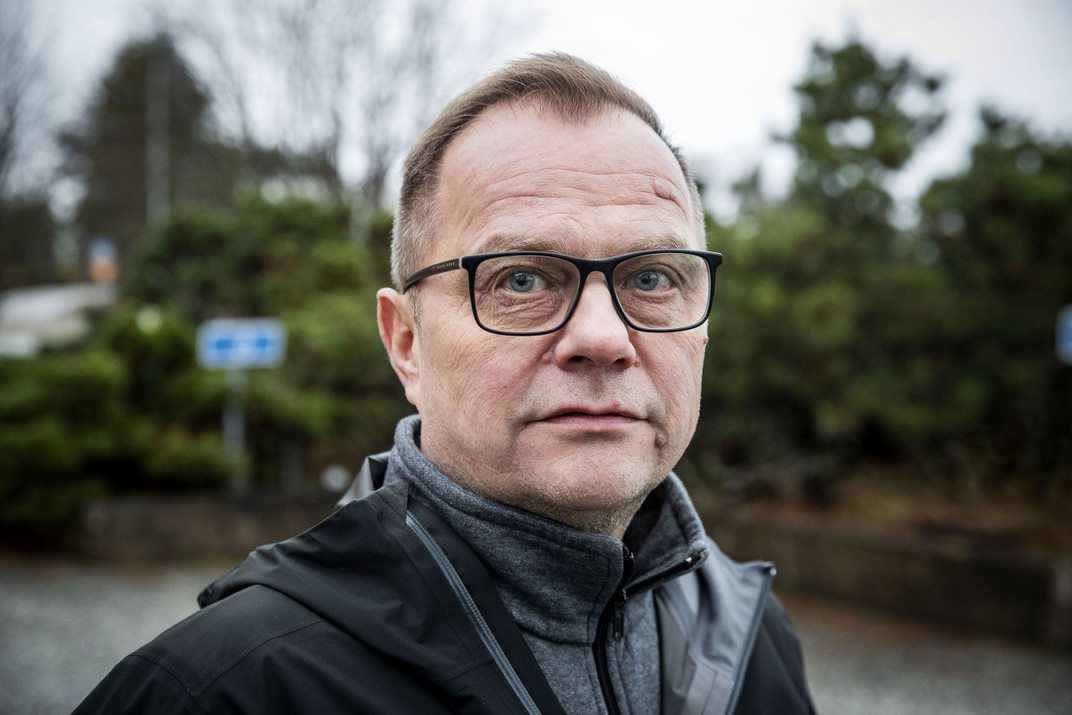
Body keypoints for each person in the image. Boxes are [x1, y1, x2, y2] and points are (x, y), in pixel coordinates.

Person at [77, 53, 815, 714]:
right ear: (406, 343)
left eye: (652, 278)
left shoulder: (752, 639)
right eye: (521, 279)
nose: (602, 339)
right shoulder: (221, 690)